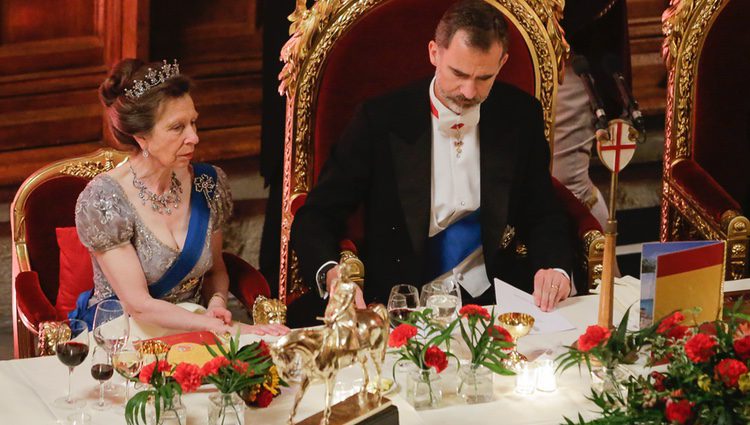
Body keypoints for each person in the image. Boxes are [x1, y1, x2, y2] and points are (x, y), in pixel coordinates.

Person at [291, 0, 579, 325]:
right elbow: (316, 216)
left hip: (493, 300)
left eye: (484, 77)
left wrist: (555, 268)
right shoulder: (380, 120)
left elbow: (543, 211)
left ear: (503, 63)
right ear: (434, 53)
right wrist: (333, 276)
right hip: (400, 302)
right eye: (458, 74)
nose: (469, 91)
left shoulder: (519, 114)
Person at [71, 58, 288, 337]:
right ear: (141, 137)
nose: (194, 137)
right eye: (177, 128)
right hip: (124, 336)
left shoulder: (209, 184)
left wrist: (217, 303)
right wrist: (214, 326)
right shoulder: (104, 200)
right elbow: (139, 306)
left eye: (194, 123)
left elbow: (215, 271)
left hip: (194, 328)